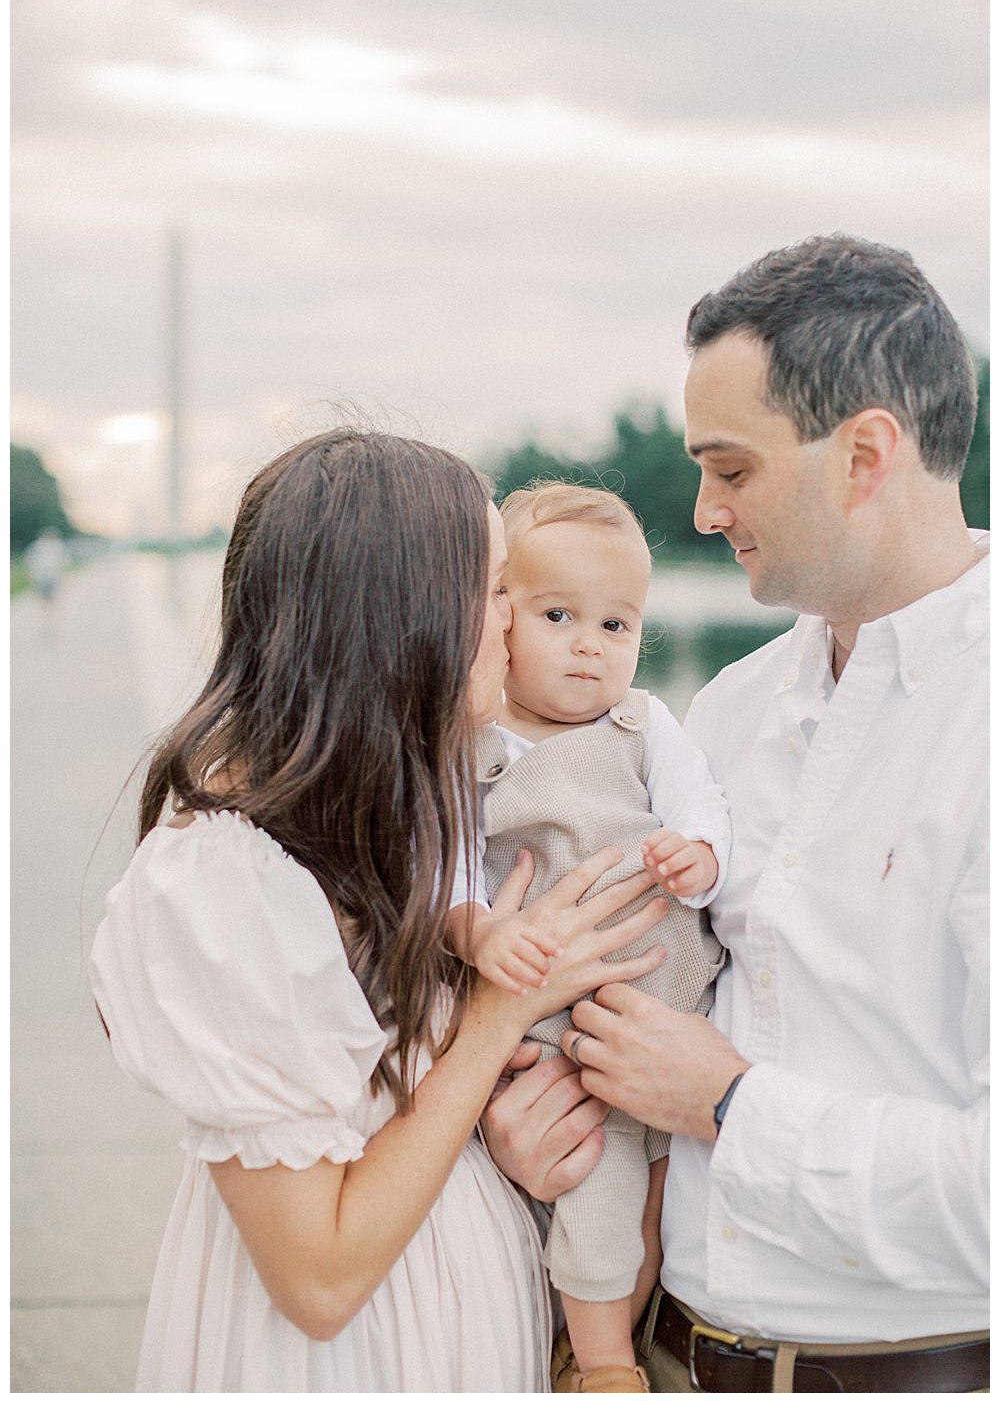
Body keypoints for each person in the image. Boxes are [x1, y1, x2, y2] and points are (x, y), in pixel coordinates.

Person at [483, 236, 989, 1392]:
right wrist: (530, 1131)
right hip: (663, 1356)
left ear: (866, 453)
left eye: (732, 468)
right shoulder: (720, 712)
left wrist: (724, 1101)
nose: (703, 512)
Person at [88, 428, 671, 1392]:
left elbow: (399, 1119)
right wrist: (497, 1017)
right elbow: (317, 1278)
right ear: (405, 616)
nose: (516, 624)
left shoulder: (419, 817)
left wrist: (513, 1144)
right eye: (494, 589)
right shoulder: (227, 881)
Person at [447, 483, 730, 1392]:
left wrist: (699, 855)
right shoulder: (474, 747)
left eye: (616, 625)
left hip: (665, 988)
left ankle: (595, 1345)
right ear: (499, 623)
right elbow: (445, 866)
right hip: (554, 1015)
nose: (588, 645)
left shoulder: (647, 723)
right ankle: (604, 1361)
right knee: (598, 1174)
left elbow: (702, 805)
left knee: (662, 1189)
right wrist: (476, 932)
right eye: (558, 614)